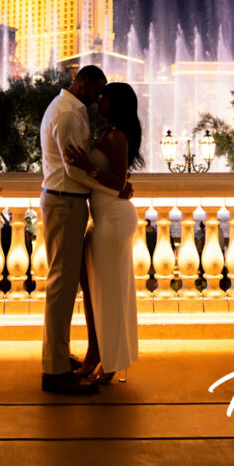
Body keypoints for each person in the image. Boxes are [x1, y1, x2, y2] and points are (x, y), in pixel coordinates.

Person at [39, 65, 133, 395]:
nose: (98, 98)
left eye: (103, 94)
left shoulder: (71, 110)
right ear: (82, 83)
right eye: (96, 90)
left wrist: (114, 185)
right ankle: (55, 371)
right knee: (62, 287)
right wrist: (115, 187)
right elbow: (73, 171)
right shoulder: (67, 114)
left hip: (72, 204)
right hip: (65, 202)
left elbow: (88, 169)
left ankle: (60, 359)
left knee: (67, 287)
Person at [65, 82, 144, 384]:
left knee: (108, 294)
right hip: (102, 218)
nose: (99, 101)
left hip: (113, 219)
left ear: (117, 102)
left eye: (104, 98)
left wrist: (89, 167)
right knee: (92, 289)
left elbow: (119, 183)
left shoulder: (117, 137)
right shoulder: (105, 132)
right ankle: (94, 354)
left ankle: (109, 362)